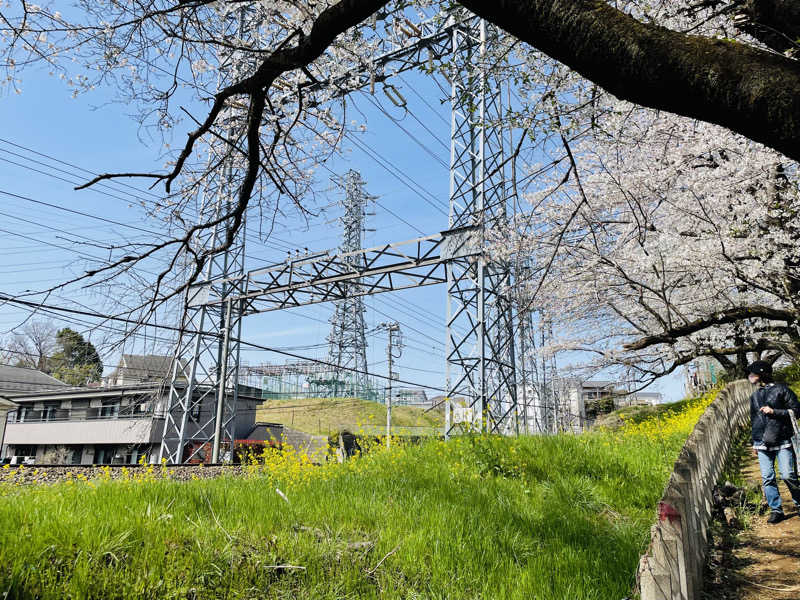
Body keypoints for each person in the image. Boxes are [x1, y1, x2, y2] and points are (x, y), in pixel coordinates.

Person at [747, 360, 800, 523]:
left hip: (782, 439)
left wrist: (774, 411)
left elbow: (796, 411)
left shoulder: (782, 390)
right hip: (761, 442)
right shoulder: (754, 396)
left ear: (762, 374)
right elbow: (754, 420)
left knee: (787, 474)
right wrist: (753, 442)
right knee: (767, 477)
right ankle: (776, 510)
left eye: (752, 373)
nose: (749, 376)